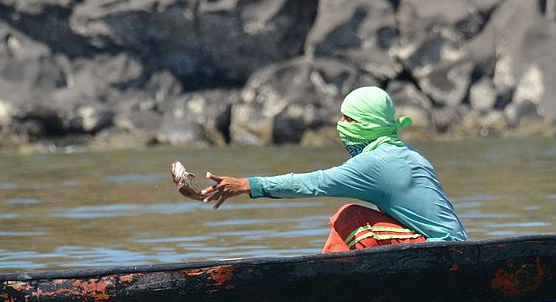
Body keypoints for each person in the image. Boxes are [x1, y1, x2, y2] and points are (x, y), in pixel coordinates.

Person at [200, 86, 467, 252]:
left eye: (347, 119)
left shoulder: (377, 163)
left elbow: (314, 183)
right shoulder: (406, 152)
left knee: (351, 218)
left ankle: (323, 275)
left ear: (367, 123)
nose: (340, 125)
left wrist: (249, 185)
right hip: (450, 246)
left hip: (440, 250)